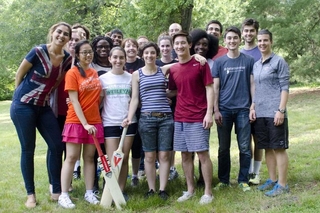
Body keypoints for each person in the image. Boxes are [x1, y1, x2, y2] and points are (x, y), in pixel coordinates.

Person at [10, 22, 72, 208]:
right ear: (52, 33)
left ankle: (56, 191)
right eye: (59, 32)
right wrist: (19, 99)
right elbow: (20, 75)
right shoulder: (37, 51)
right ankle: (30, 194)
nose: (61, 36)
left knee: (57, 145)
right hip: (23, 106)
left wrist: (42, 98)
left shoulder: (67, 59)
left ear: (69, 38)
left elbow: (56, 83)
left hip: (43, 107)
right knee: (28, 149)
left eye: (66, 34)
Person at [123, 42, 174, 200]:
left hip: (165, 118)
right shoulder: (137, 74)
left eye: (152, 53)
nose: (149, 56)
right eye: (146, 53)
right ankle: (151, 189)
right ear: (142, 55)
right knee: (150, 156)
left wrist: (197, 56)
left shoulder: (164, 70)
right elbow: (135, 99)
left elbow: (183, 63)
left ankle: (163, 189)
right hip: (146, 119)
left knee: (164, 155)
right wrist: (129, 117)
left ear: (156, 55)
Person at [168, 31, 214, 205]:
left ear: (189, 45)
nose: (179, 46)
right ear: (174, 47)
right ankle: (190, 190)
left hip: (198, 116)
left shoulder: (200, 64)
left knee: (202, 154)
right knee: (185, 156)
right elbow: (173, 91)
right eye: (176, 44)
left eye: (182, 43)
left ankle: (208, 193)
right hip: (179, 117)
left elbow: (209, 88)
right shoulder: (173, 69)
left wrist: (209, 113)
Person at [58, 40, 104, 208]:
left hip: (95, 121)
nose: (88, 55)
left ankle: (89, 192)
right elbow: (74, 101)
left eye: (90, 51)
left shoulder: (94, 72)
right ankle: (63, 195)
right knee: (71, 157)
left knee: (90, 158)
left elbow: (98, 97)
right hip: (76, 121)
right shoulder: (72, 73)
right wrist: (84, 124)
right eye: (84, 52)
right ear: (77, 54)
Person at [212, 26, 254, 192]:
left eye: (235, 38)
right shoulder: (219, 62)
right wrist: (216, 109)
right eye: (229, 38)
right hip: (224, 110)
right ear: (225, 41)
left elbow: (252, 84)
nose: (232, 41)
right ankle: (224, 180)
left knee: (244, 147)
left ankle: (243, 180)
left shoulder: (249, 60)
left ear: (240, 39)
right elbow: (215, 88)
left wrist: (253, 105)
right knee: (223, 148)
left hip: (243, 110)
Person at [251, 29, 290, 197]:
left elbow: (285, 88)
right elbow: (257, 89)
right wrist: (253, 106)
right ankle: (272, 180)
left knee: (278, 148)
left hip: (275, 112)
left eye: (265, 40)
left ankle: (282, 185)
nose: (262, 43)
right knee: (266, 147)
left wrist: (281, 110)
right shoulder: (256, 64)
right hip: (260, 113)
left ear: (271, 42)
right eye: (260, 41)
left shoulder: (279, 61)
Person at [99, 46, 137, 199]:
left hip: (129, 123)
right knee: (113, 160)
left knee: (124, 157)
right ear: (109, 59)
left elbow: (135, 99)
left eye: (121, 57)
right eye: (115, 57)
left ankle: (121, 190)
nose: (118, 60)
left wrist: (129, 116)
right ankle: (110, 191)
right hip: (109, 123)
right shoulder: (102, 79)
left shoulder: (131, 77)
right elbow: (98, 102)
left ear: (125, 59)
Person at [189, 28, 219, 186]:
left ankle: (203, 177)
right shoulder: (188, 60)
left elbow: (212, 88)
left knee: (202, 146)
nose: (201, 47)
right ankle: (191, 178)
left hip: (204, 109)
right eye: (198, 44)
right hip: (187, 109)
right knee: (189, 149)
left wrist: (212, 111)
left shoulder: (213, 64)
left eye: (205, 44)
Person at [240, 18, 263, 185]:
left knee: (257, 139)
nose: (248, 33)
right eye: (246, 30)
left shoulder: (261, 51)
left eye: (252, 31)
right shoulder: (238, 52)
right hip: (242, 103)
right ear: (242, 33)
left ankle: (256, 172)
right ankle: (247, 171)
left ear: (256, 32)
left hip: (259, 102)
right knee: (245, 139)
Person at [121, 38, 145, 186]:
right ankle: (122, 173)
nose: (130, 48)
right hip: (123, 108)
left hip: (141, 108)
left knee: (137, 144)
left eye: (133, 46)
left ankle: (135, 175)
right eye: (127, 46)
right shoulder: (119, 63)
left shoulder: (142, 63)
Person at [156, 35, 179, 181]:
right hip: (159, 106)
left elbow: (181, 86)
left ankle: (171, 168)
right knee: (160, 140)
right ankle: (160, 167)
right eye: (162, 46)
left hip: (176, 105)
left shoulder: (178, 63)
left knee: (171, 141)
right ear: (159, 47)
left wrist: (170, 95)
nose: (165, 49)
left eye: (167, 46)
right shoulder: (156, 64)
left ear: (172, 47)